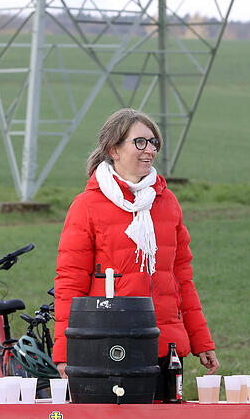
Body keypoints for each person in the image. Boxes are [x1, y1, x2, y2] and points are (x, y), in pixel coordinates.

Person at [52, 108, 220, 390]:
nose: (150, 150)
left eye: (153, 142)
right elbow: (70, 284)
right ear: (113, 149)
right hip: (109, 345)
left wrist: (201, 340)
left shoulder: (167, 203)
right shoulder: (86, 206)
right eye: (139, 142)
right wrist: (65, 353)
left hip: (166, 349)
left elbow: (182, 280)